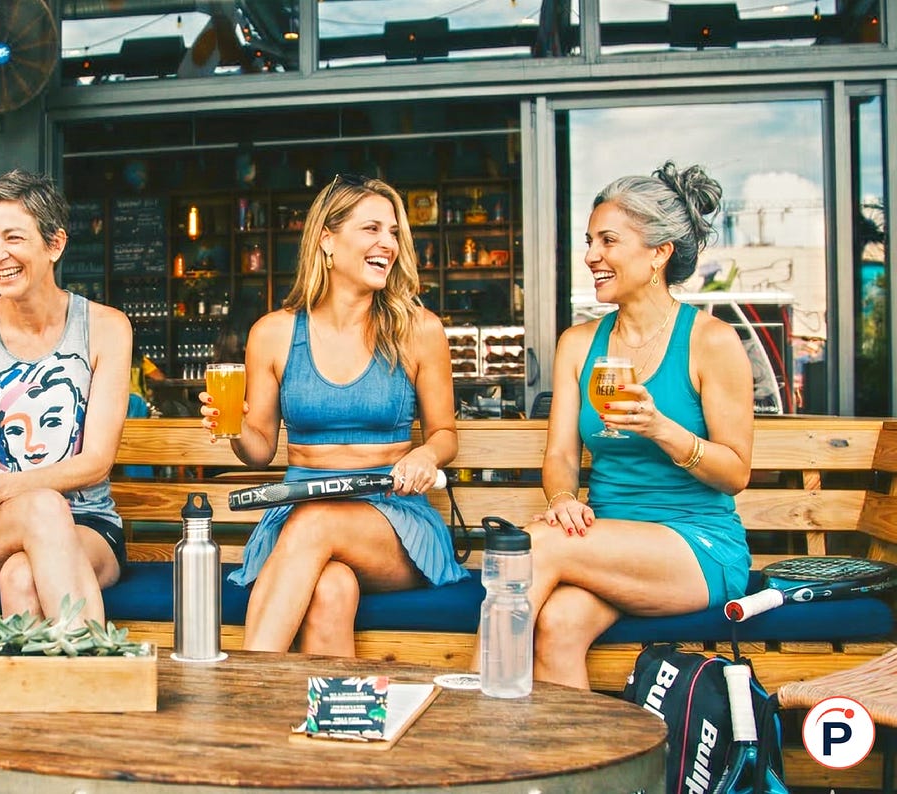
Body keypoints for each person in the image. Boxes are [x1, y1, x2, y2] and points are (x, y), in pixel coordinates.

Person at [200, 174, 466, 656]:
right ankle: (336, 726)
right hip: (297, 510)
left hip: (393, 519)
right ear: (326, 238)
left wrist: (427, 455)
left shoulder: (419, 330)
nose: (388, 243)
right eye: (371, 229)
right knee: (331, 590)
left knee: (315, 524)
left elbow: (445, 433)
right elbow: (259, 453)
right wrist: (234, 429)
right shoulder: (274, 334)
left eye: (393, 232)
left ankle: (240, 688)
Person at [531, 162, 753, 689]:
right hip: (602, 542)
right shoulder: (578, 343)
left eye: (608, 241)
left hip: (695, 545)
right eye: (589, 242)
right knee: (557, 624)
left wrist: (661, 428)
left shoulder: (711, 341)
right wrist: (563, 498)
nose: (591, 257)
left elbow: (736, 473)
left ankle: (465, 707)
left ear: (658, 253)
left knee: (534, 547)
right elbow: (561, 455)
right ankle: (582, 771)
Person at [0, 170, 132, 627]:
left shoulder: (105, 327)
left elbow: (97, 461)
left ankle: (38, 697)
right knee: (42, 506)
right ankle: (101, 671)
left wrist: (7, 484)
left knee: (22, 576)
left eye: (12, 238)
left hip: (87, 523)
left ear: (54, 244)